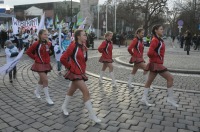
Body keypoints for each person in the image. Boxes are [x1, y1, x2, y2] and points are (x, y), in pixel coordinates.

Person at [60, 29, 101, 123]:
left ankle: (64, 107)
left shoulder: (83, 46)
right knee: (86, 92)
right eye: (84, 35)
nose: (85, 36)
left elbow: (83, 60)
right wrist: (71, 67)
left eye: (85, 35)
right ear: (78, 36)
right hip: (75, 73)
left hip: (80, 72)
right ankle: (92, 115)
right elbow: (63, 58)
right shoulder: (73, 46)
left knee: (71, 91)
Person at [141, 25, 179, 107]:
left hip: (156, 64)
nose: (162, 30)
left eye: (163, 29)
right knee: (170, 78)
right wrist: (157, 58)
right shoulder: (155, 40)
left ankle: (144, 98)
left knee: (149, 82)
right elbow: (149, 53)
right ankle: (170, 99)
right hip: (156, 64)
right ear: (156, 30)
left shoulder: (159, 40)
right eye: (161, 29)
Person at [26, 29, 54, 105]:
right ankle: (47, 98)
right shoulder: (36, 43)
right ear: (40, 35)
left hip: (46, 64)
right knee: (45, 80)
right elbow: (28, 52)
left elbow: (49, 53)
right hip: (39, 64)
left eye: (47, 34)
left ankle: (36, 91)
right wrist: (35, 58)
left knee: (42, 80)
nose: (46, 36)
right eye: (45, 34)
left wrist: (51, 53)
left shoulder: (49, 43)